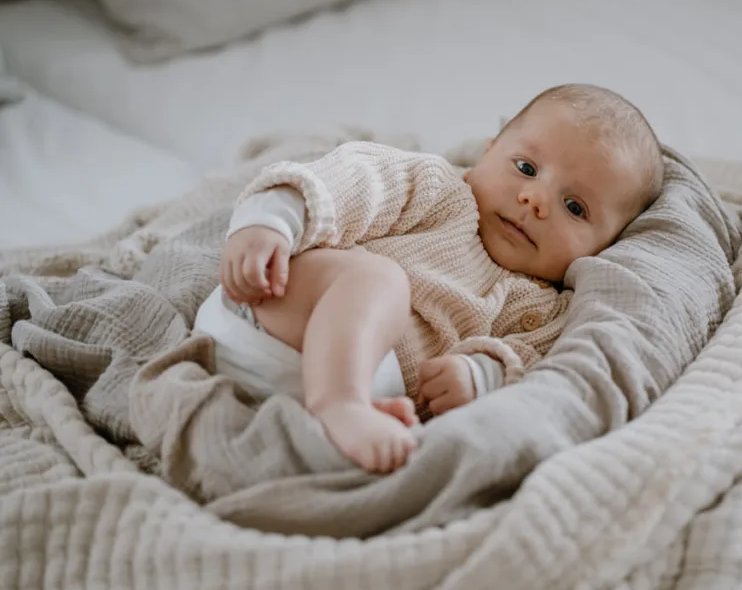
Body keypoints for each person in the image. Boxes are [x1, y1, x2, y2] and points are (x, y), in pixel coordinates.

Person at [194, 84, 665, 473]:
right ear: (489, 150)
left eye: (575, 207)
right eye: (526, 168)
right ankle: (339, 404)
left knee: (409, 441)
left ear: (605, 247)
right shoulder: (438, 190)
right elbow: (353, 180)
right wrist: (271, 222)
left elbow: (529, 363)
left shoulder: (542, 306)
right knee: (380, 282)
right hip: (272, 306)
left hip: (334, 387)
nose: (536, 199)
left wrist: (479, 375)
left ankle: (347, 415)